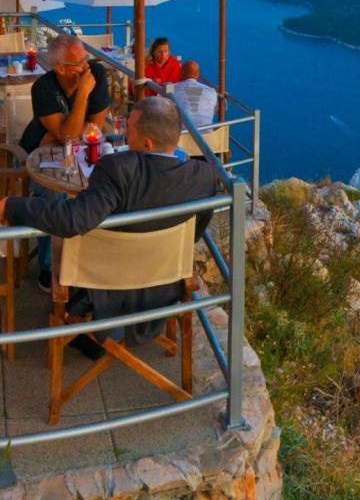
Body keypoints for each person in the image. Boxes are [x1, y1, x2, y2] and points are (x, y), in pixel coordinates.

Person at [0, 97, 219, 359]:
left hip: (105, 285)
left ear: (147, 143)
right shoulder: (205, 176)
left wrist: (11, 206)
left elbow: (73, 220)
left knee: (71, 245)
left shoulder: (118, 168)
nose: (125, 133)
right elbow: (197, 229)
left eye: (130, 130)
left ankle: (86, 330)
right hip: (164, 281)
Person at [18, 34, 112, 291]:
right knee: (52, 195)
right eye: (80, 62)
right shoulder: (43, 88)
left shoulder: (97, 73)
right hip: (41, 154)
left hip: (71, 149)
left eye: (86, 58)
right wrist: (82, 94)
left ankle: (92, 257)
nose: (87, 66)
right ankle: (50, 266)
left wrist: (62, 132)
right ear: (60, 69)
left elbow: (95, 128)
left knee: (103, 189)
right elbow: (69, 135)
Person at [171, 60, 218, 128]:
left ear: (181, 73)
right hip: (206, 135)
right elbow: (216, 110)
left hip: (180, 136)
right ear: (198, 74)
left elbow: (160, 103)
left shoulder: (171, 88)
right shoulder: (211, 91)